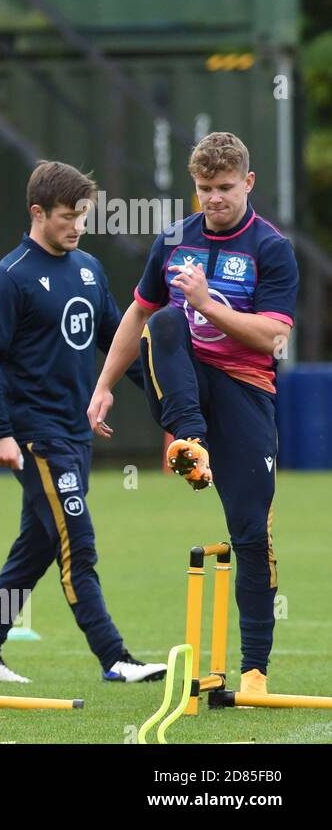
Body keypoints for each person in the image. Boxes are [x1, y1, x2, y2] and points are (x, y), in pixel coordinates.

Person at [88, 132, 297, 699]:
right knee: (165, 322)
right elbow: (137, 317)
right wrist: (104, 386)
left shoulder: (271, 247)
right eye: (204, 189)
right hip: (182, 390)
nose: (214, 199)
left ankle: (254, 669)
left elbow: (275, 336)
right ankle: (188, 443)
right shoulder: (174, 239)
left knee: (251, 534)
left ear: (248, 183)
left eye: (225, 188)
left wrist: (207, 302)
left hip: (245, 390)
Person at [0, 160, 166, 684]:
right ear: (37, 213)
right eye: (66, 216)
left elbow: (117, 344)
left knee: (38, 545)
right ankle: (115, 658)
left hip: (74, 432)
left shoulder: (89, 269)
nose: (77, 226)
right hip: (35, 435)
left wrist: (170, 404)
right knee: (79, 542)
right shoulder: (8, 279)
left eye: (83, 216)